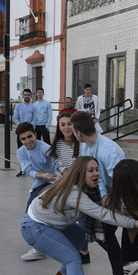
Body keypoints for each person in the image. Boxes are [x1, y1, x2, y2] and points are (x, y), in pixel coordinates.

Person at [21, 156, 138, 275]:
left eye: (97, 169)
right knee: (73, 258)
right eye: (91, 170)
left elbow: (103, 205)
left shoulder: (85, 189)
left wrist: (121, 209)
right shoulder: (75, 194)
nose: (96, 173)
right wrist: (133, 223)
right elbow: (101, 213)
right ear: (80, 174)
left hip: (47, 223)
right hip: (35, 227)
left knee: (81, 236)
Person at [73, 111, 138, 275]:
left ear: (79, 132)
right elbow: (99, 175)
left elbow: (122, 181)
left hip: (126, 197)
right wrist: (103, 197)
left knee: (107, 235)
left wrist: (124, 205)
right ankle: (124, 268)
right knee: (102, 234)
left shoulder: (108, 150)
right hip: (111, 197)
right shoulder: (87, 147)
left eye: (73, 130)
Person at [49, 111, 90, 264]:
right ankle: (72, 248)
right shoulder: (57, 145)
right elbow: (57, 164)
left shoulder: (82, 143)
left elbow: (85, 163)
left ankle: (83, 251)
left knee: (83, 219)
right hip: (65, 186)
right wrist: (60, 171)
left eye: (69, 124)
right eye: (63, 124)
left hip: (82, 186)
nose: (66, 128)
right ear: (59, 127)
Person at [18, 122, 59, 261]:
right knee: (30, 214)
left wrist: (59, 174)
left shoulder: (45, 147)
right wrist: (42, 175)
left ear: (35, 134)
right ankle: (39, 248)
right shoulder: (21, 152)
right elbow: (28, 170)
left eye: (29, 136)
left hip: (55, 183)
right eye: (23, 139)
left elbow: (58, 163)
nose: (27, 141)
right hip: (39, 184)